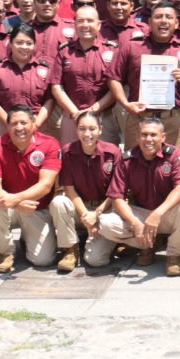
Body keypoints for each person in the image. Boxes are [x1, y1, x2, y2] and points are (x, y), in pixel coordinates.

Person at [0, 104, 71, 274]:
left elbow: (45, 186)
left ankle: (25, 238)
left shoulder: (50, 144)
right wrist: (15, 204)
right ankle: (5, 252)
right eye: (14, 124)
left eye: (23, 122)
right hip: (7, 207)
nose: (19, 128)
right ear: (7, 126)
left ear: (33, 122)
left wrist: (16, 200)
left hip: (36, 208)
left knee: (43, 261)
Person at [107, 1, 180, 150]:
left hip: (171, 120)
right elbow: (113, 78)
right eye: (158, 17)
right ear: (149, 22)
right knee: (134, 166)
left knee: (173, 167)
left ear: (176, 23)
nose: (163, 21)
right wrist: (125, 104)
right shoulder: (132, 47)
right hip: (139, 118)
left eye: (168, 17)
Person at [52, 109, 122, 272]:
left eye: (92, 129)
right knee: (58, 202)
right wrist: (86, 216)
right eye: (82, 129)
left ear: (100, 129)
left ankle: (112, 240)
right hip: (81, 208)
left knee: (96, 261)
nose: (87, 133)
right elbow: (69, 190)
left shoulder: (113, 152)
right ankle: (70, 249)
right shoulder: (68, 151)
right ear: (76, 129)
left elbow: (116, 191)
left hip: (106, 211)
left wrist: (96, 214)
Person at [50, 5, 117, 145]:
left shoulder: (111, 50)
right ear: (74, 24)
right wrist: (76, 113)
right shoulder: (64, 51)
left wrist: (92, 111)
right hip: (71, 117)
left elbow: (115, 87)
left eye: (90, 21)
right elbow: (56, 87)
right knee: (70, 159)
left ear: (98, 25)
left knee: (105, 161)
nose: (85, 25)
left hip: (102, 116)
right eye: (80, 21)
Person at [0, 26, 57, 138]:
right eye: (19, 42)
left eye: (29, 43)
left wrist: (37, 123)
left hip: (36, 124)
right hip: (5, 122)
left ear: (34, 45)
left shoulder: (44, 69)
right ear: (10, 44)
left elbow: (50, 100)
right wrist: (10, 123)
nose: (24, 47)